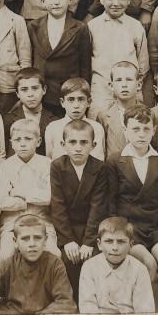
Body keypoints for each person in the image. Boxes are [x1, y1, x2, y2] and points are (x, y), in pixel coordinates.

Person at [109, 106, 158, 312]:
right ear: (125, 130)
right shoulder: (116, 161)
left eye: (145, 129)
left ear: (154, 130)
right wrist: (118, 234)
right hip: (130, 230)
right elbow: (110, 202)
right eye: (135, 129)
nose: (141, 134)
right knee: (148, 264)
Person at [49, 119, 113, 298]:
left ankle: (93, 304)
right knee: (66, 258)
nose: (78, 147)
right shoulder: (57, 166)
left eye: (84, 142)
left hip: (91, 228)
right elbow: (58, 206)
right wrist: (67, 240)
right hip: (66, 228)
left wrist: (88, 242)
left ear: (93, 145)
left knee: (94, 259)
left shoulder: (100, 168)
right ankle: (69, 303)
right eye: (72, 142)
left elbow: (97, 207)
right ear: (63, 144)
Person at [0, 215, 76, 315]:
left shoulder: (55, 264)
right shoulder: (8, 265)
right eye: (25, 238)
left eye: (37, 238)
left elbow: (66, 303)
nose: (32, 244)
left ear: (46, 240)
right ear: (15, 242)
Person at [87, 0, 150, 116]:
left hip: (129, 92)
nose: (116, 3)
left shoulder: (135, 26)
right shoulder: (92, 27)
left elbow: (143, 63)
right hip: (100, 93)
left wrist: (132, 84)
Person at [28, 0, 92, 116]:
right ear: (43, 1)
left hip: (69, 93)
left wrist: (83, 94)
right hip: (42, 92)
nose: (56, 2)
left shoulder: (80, 28)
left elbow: (85, 66)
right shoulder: (34, 26)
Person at [0, 119, 57, 262]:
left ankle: (47, 284)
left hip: (42, 221)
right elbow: (2, 202)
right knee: (6, 256)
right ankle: (9, 284)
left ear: (38, 141)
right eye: (17, 139)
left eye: (28, 139)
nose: (22, 143)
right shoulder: (6, 166)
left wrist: (20, 193)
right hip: (12, 223)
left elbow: (48, 198)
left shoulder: (47, 164)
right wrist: (34, 198)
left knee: (53, 254)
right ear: (11, 142)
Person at [78, 216, 155, 314]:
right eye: (109, 241)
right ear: (99, 244)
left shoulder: (139, 270)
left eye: (121, 242)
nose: (115, 247)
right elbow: (88, 309)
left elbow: (145, 312)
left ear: (131, 245)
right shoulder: (89, 267)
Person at [99, 61, 158, 159]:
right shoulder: (104, 116)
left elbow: (156, 147)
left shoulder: (150, 114)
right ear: (111, 86)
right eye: (119, 80)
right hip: (114, 171)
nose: (124, 85)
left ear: (139, 85)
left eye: (129, 80)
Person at [43, 78, 105, 161]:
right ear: (62, 102)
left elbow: (99, 160)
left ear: (89, 102)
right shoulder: (53, 128)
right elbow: (49, 159)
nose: (76, 105)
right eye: (71, 100)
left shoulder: (97, 128)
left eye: (81, 99)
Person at [2, 67, 54, 154]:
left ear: (44, 90)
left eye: (35, 88)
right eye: (24, 90)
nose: (30, 94)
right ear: (17, 93)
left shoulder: (54, 120)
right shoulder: (8, 120)